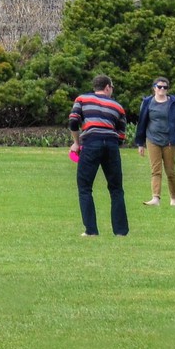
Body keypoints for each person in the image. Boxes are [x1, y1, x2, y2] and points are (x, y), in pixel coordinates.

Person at [70, 74, 130, 239]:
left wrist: (77, 142)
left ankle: (91, 230)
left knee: (85, 188)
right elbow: (121, 135)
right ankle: (120, 232)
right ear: (107, 87)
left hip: (90, 143)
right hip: (111, 144)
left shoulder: (81, 99)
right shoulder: (118, 107)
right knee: (116, 189)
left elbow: (73, 122)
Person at [134, 78, 175, 208]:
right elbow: (142, 123)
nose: (162, 89)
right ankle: (155, 198)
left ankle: (173, 198)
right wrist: (140, 143)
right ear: (154, 88)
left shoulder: (174, 102)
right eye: (159, 86)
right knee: (155, 171)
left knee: (170, 171)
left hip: (170, 141)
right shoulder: (147, 103)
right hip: (152, 140)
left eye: (165, 87)